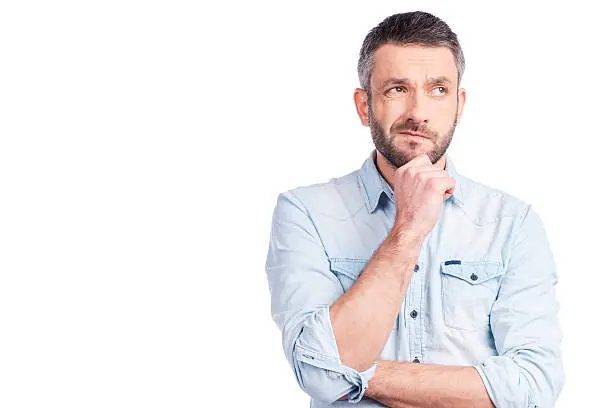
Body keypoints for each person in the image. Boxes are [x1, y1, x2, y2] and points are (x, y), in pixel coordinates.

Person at [265, 11, 564, 408]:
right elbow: (316, 375)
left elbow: (533, 385)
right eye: (396, 89)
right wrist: (408, 227)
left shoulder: (512, 223)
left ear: (459, 105)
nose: (418, 113)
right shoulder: (305, 213)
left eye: (438, 90)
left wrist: (352, 373)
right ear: (364, 106)